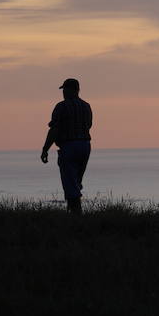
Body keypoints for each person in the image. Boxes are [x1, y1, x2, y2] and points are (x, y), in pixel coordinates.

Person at [41, 77, 93, 214]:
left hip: (69, 146)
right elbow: (89, 126)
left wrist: (45, 149)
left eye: (65, 89)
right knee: (76, 180)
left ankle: (76, 215)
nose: (63, 93)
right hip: (85, 146)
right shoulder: (86, 106)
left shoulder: (61, 107)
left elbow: (54, 129)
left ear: (71, 90)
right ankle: (73, 212)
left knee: (70, 182)